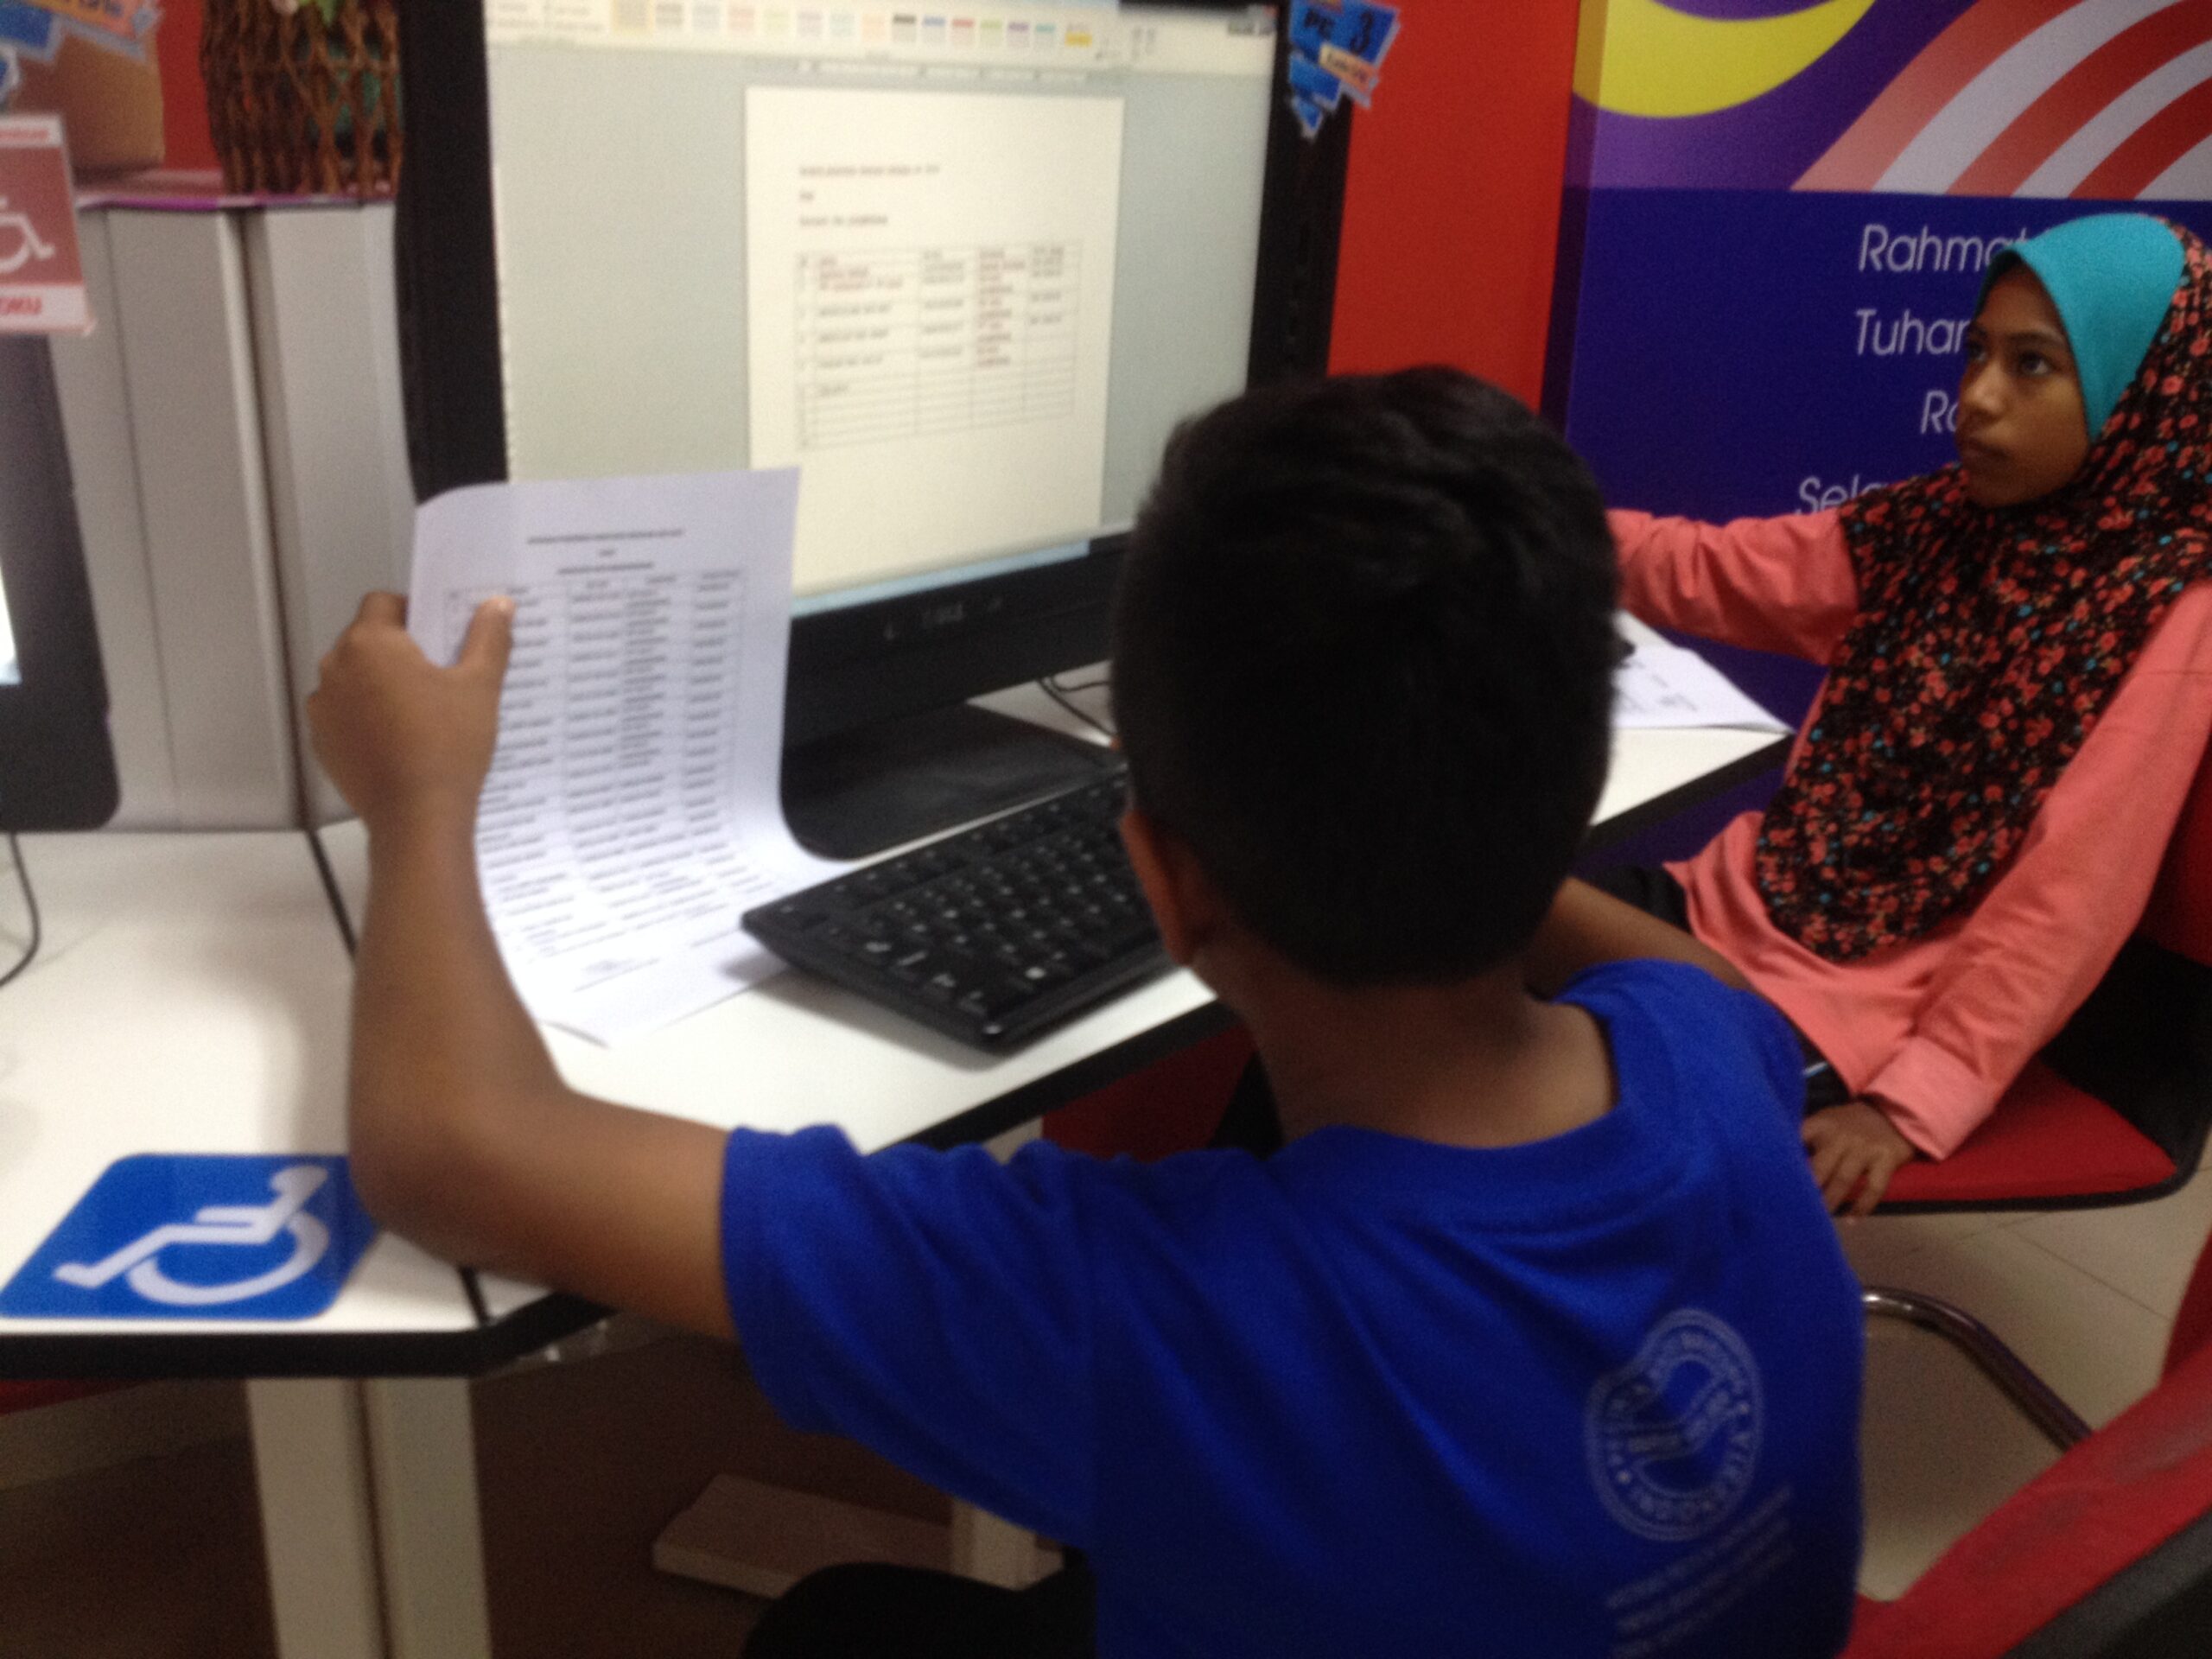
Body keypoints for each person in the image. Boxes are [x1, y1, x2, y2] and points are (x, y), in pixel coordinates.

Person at [307, 369, 1863, 1658]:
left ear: (1167, 884)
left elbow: (452, 1147)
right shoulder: (1713, 1061)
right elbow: (1692, 982)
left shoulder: (1161, 1325)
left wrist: (420, 800)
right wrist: (1467, 801)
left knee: (839, 1633)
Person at [1596, 213, 2212, 1217]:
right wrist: (1529, 521)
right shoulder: (1932, 526)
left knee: (1543, 1083)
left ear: (2140, 391)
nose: (1978, 396)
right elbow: (1711, 570)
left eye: (2032, 366)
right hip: (1734, 907)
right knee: (1441, 958)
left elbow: (2064, 903)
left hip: (1865, 1019)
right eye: (1976, 353)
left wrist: (1913, 1103)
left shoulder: (2168, 612)